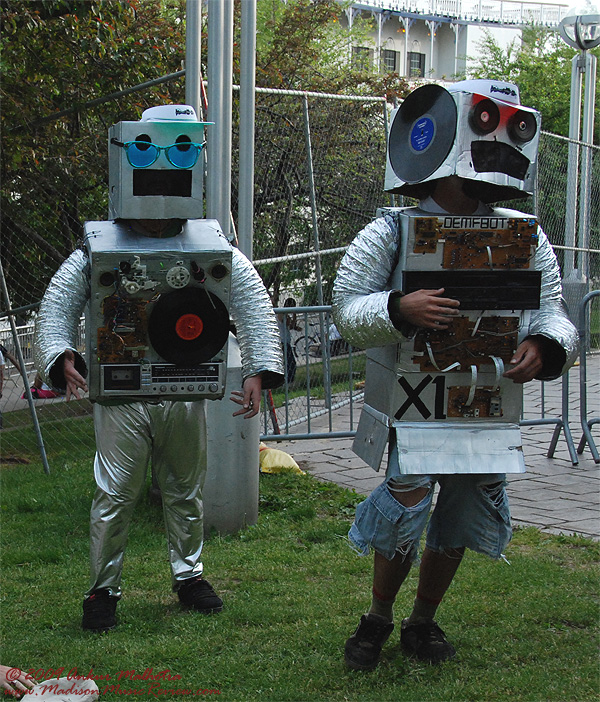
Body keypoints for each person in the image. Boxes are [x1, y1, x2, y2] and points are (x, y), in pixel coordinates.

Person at [332, 80, 578, 670]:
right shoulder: (393, 231)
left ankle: (424, 621)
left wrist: (546, 343)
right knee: (407, 503)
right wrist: (399, 308)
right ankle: (378, 618)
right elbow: (346, 304)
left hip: (487, 397)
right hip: (415, 396)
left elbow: (551, 307)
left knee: (464, 508)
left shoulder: (523, 234)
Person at [34, 105, 284, 632]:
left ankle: (189, 575)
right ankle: (103, 590)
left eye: (180, 153)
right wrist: (60, 356)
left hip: (182, 385)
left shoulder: (210, 245)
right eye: (148, 152)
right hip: (123, 394)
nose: (165, 167)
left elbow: (251, 303)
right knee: (115, 492)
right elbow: (57, 306)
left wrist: (261, 367)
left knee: (185, 488)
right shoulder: (100, 246)